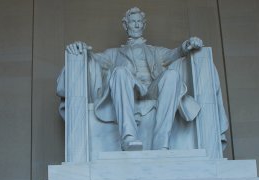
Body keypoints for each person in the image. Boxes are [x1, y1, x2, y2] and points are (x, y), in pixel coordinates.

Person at [64, 7, 203, 151]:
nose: (136, 25)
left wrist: (187, 45)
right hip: (131, 89)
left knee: (172, 75)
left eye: (139, 22)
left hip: (153, 88)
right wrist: (82, 49)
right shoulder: (114, 54)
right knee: (120, 72)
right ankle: (129, 137)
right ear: (125, 25)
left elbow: (175, 53)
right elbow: (95, 59)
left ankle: (161, 141)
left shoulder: (156, 51)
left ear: (144, 25)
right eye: (132, 22)